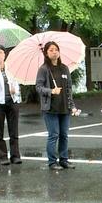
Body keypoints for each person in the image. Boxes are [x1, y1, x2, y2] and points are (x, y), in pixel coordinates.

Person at [36, 41, 79, 171]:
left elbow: (68, 89)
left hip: (64, 107)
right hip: (50, 108)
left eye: (56, 49)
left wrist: (72, 106)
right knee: (54, 134)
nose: (54, 52)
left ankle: (64, 159)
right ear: (46, 53)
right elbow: (38, 87)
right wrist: (51, 91)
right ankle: (52, 162)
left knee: (64, 135)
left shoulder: (64, 68)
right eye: (51, 50)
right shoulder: (44, 69)